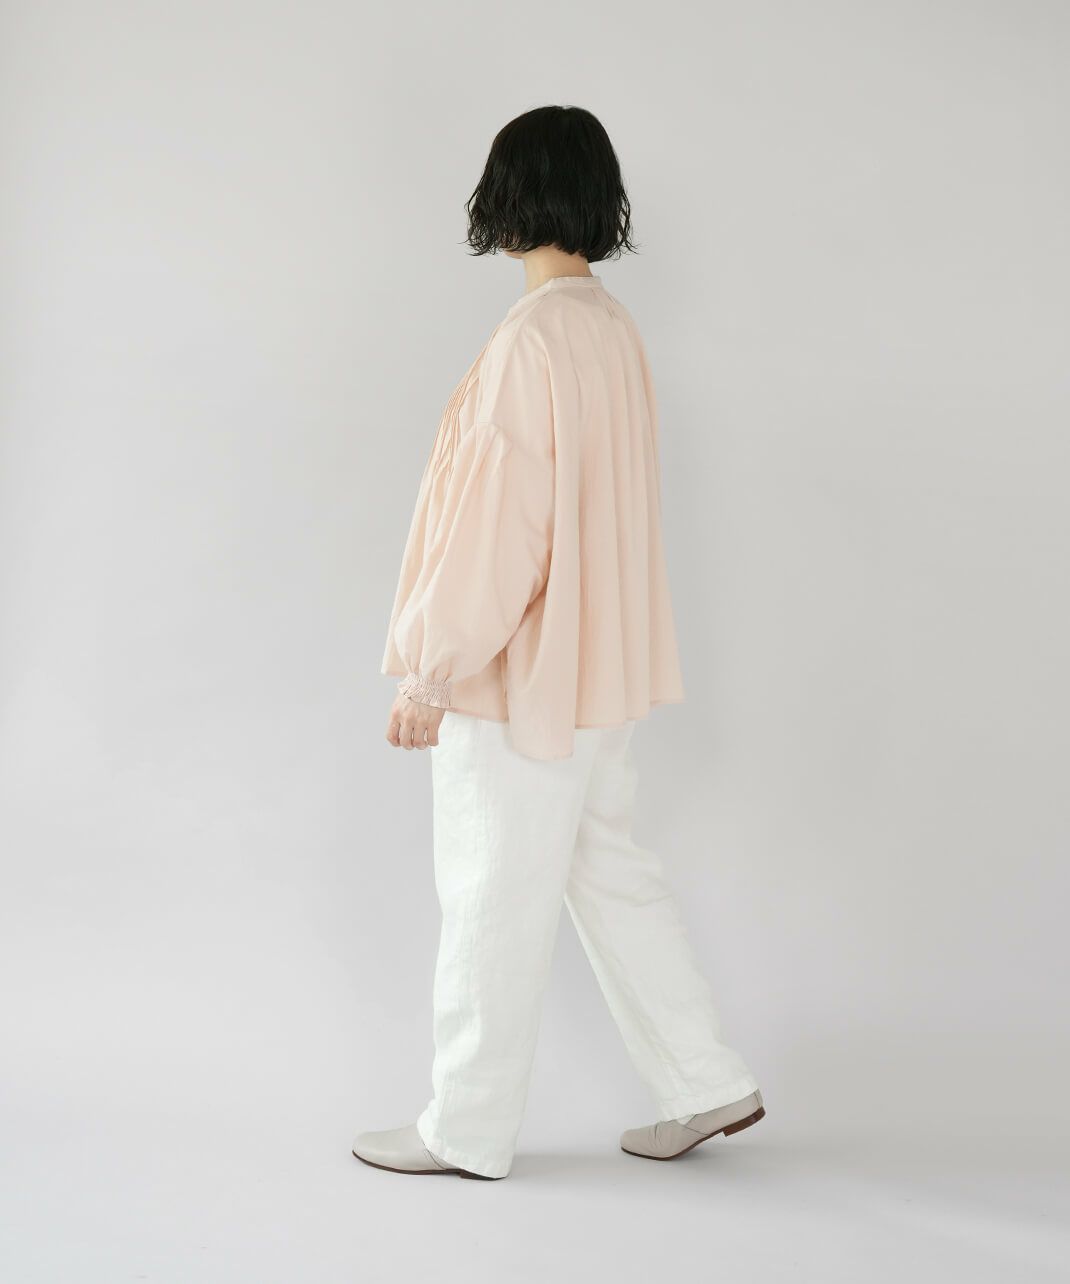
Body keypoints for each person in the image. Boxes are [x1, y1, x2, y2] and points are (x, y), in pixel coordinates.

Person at [352, 105, 764, 1181]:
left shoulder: (528, 339)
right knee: (609, 869)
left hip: (520, 681)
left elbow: (501, 526)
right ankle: (704, 1077)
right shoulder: (612, 327)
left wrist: (431, 670)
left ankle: (465, 1126)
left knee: (489, 890)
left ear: (509, 195)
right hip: (597, 678)